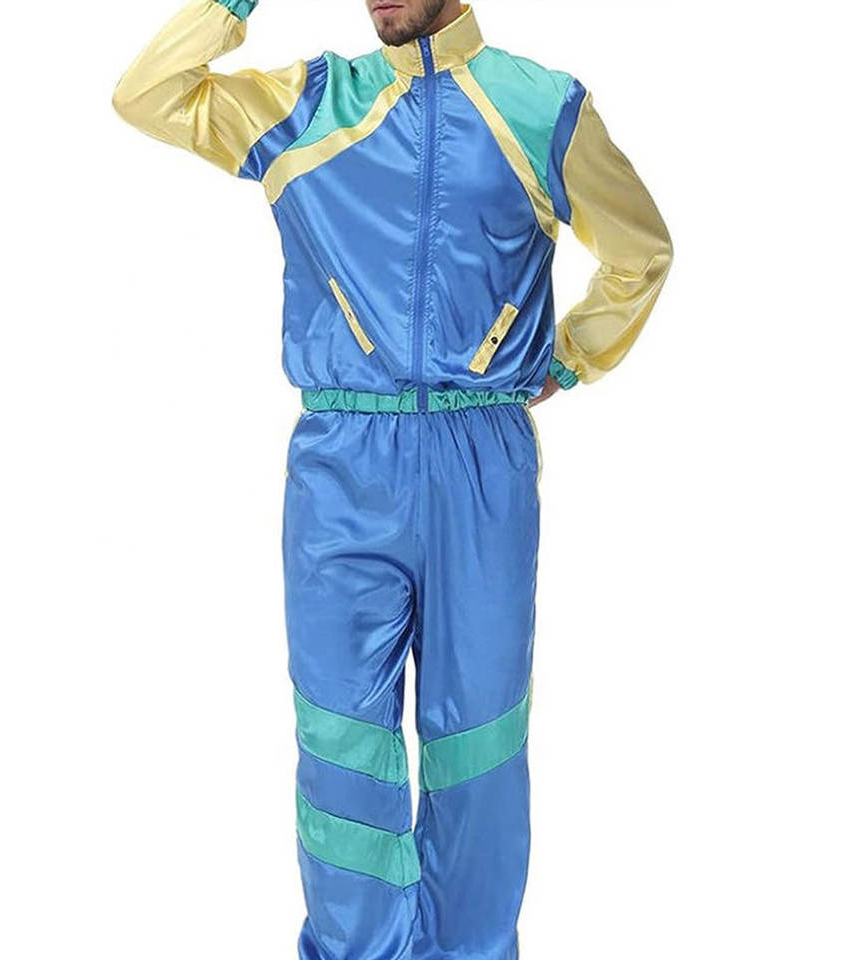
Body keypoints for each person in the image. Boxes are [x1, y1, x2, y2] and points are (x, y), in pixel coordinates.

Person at [113, 0, 672, 956]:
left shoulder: (542, 107)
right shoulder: (311, 105)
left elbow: (640, 252)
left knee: (479, 744)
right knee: (341, 742)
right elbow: (147, 94)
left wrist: (573, 357)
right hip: (342, 463)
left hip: (480, 462)